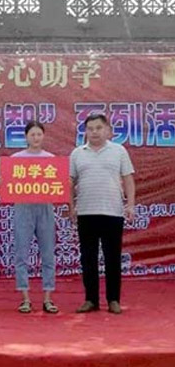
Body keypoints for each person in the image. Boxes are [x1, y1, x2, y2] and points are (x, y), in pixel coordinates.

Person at [70, 114, 135, 315]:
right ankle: (91, 300)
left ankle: (113, 300)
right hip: (86, 212)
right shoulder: (77, 153)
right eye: (90, 129)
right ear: (85, 132)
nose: (94, 132)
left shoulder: (119, 151)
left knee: (112, 258)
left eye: (98, 128)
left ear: (107, 130)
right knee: (88, 258)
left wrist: (131, 204)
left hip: (112, 212)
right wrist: (71, 207)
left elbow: (128, 179)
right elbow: (69, 182)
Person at [9, 121, 58, 314]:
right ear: (26, 137)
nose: (36, 138)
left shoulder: (51, 159)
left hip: (45, 208)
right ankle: (25, 298)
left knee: (48, 254)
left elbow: (59, 185)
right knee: (21, 254)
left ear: (43, 136)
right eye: (32, 134)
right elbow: (5, 184)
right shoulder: (16, 159)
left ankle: (48, 298)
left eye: (39, 134)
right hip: (23, 208)